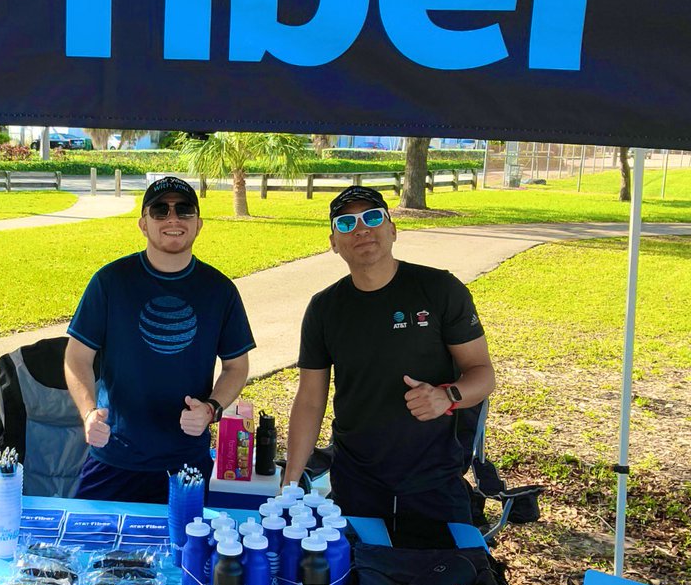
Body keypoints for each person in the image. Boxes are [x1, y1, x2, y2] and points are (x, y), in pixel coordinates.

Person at [284, 186, 496, 529]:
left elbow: (483, 374)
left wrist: (447, 396)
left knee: (442, 576)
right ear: (333, 242)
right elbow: (310, 400)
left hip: (434, 479)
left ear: (393, 229)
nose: (361, 229)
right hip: (356, 481)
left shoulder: (440, 289)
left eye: (372, 217)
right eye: (346, 222)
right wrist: (291, 481)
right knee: (360, 577)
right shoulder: (324, 308)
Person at [65, 176, 255, 502]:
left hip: (186, 459)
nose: (172, 219)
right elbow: (76, 358)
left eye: (184, 210)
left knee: (186, 550)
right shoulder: (111, 282)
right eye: (160, 211)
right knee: (89, 548)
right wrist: (88, 413)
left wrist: (211, 408)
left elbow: (236, 367)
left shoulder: (219, 290)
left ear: (199, 224)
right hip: (114, 454)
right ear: (143, 223)